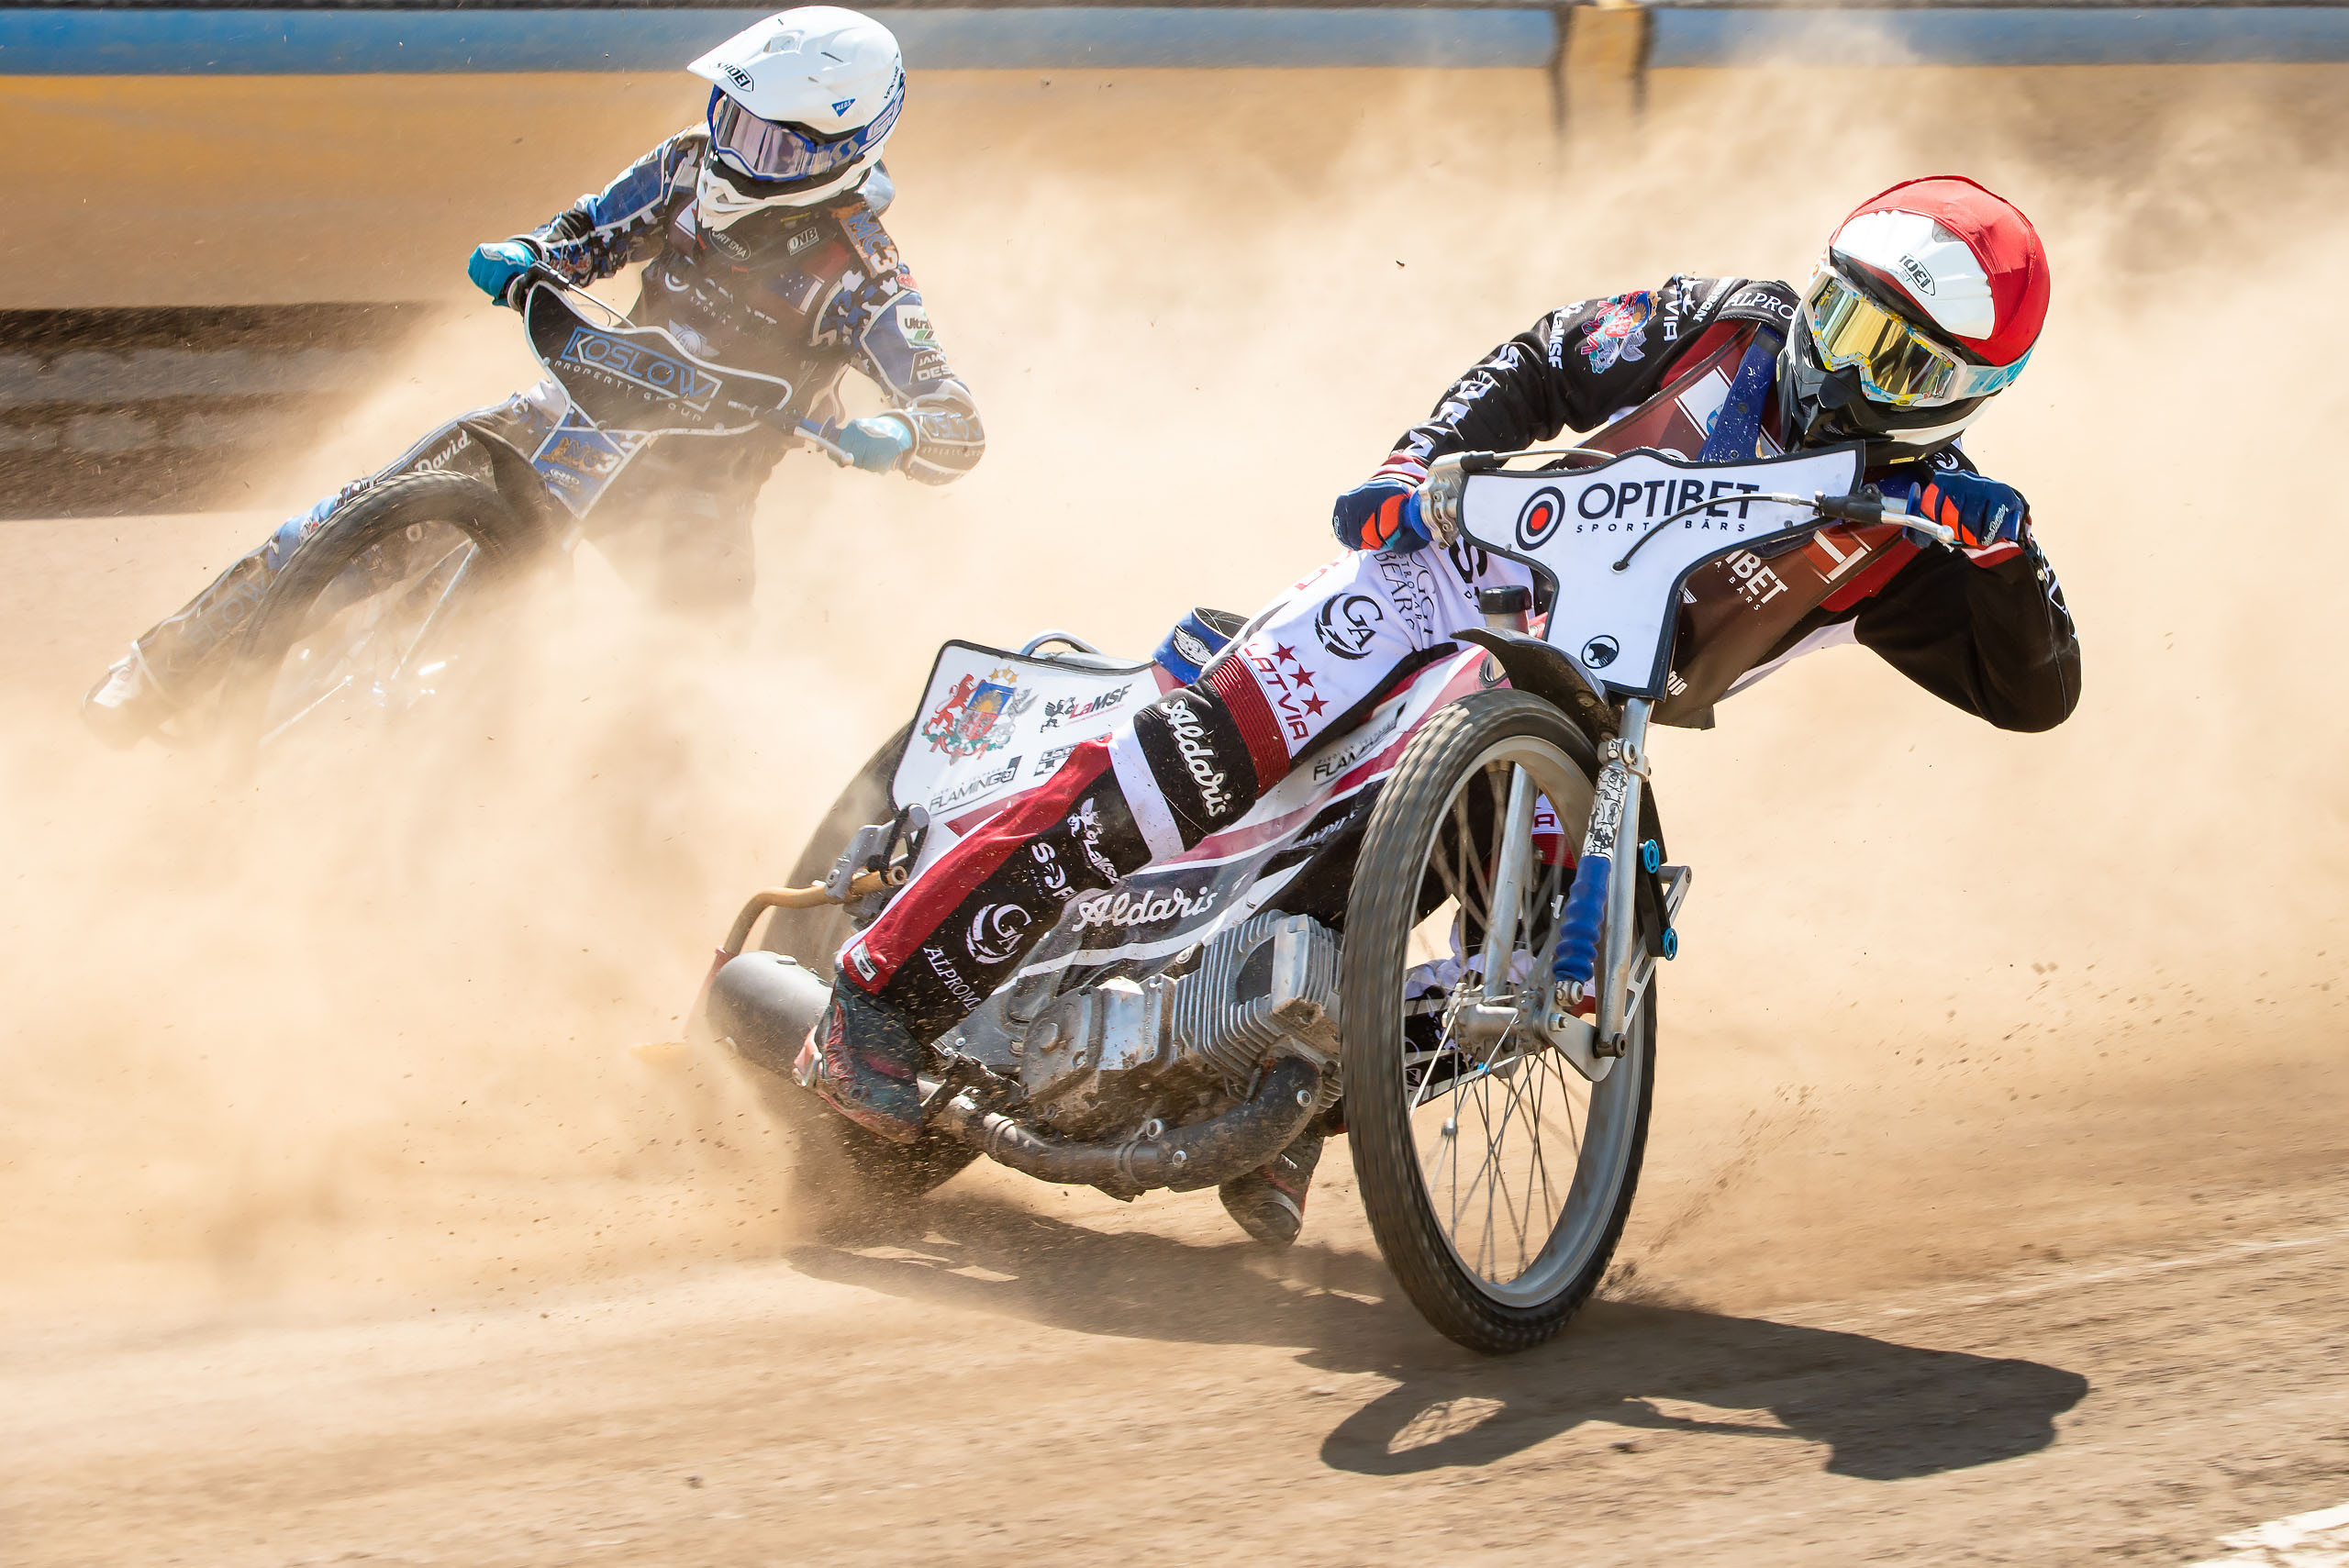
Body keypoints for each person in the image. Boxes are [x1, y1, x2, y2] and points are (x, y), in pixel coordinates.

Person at [802, 175, 2079, 1247]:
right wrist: (1416, 462)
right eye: (1843, 312)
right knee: (1181, 770)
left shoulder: (1922, 534)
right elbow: (1544, 357)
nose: (1841, 359)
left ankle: (1290, 1091)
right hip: (1440, 581)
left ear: (1968, 395)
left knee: (1569, 973)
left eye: (1894, 356)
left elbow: (2038, 696)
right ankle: (880, 997)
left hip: (1579, 717)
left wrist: (2000, 563)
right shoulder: (1722, 324)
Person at [83, 6, 983, 746]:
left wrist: (898, 434)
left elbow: (954, 421)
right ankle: (157, 677)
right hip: (584, 401)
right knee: (352, 514)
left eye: (775, 146)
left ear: (843, 148)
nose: (740, 156)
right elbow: (588, 231)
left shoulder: (864, 277)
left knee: (693, 703)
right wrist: (527, 253)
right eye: (731, 118)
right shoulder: (685, 163)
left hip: (694, 496)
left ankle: (618, 874)